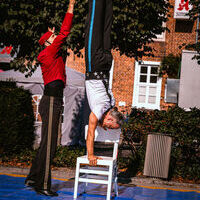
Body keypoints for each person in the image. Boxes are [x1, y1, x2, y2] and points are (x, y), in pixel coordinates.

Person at [24, 0, 76, 196]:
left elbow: (59, 38)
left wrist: (51, 34)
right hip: (52, 100)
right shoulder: (49, 51)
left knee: (47, 142)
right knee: (50, 145)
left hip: (53, 100)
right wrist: (70, 8)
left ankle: (32, 177)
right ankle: (43, 184)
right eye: (53, 37)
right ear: (48, 42)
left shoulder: (51, 53)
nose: (57, 39)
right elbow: (64, 33)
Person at [85, 0, 124, 166]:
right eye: (110, 125)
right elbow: (91, 133)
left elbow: (112, 117)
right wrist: (91, 155)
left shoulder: (111, 103)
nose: (107, 127)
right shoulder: (98, 111)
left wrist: (111, 119)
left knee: (107, 23)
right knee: (94, 20)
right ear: (109, 119)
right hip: (94, 64)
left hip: (107, 65)